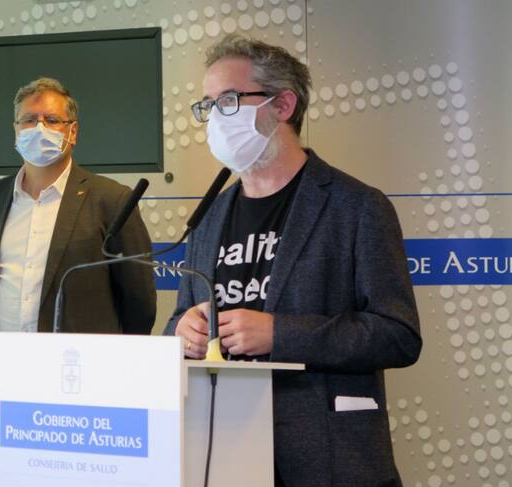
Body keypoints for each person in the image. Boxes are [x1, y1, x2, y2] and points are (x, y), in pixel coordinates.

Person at [164, 35, 422, 486]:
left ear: (283, 105)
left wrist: (279, 334)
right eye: (208, 105)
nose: (215, 118)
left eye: (229, 100)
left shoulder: (357, 206)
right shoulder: (208, 217)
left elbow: (397, 335)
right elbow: (180, 319)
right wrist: (180, 333)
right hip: (222, 456)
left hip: (327, 460)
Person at [0, 77, 156, 334]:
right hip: (3, 356)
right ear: (16, 129)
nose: (39, 128)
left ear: (73, 131)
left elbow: (139, 305)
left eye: (52, 120)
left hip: (79, 357)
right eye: (29, 120)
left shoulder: (112, 201)